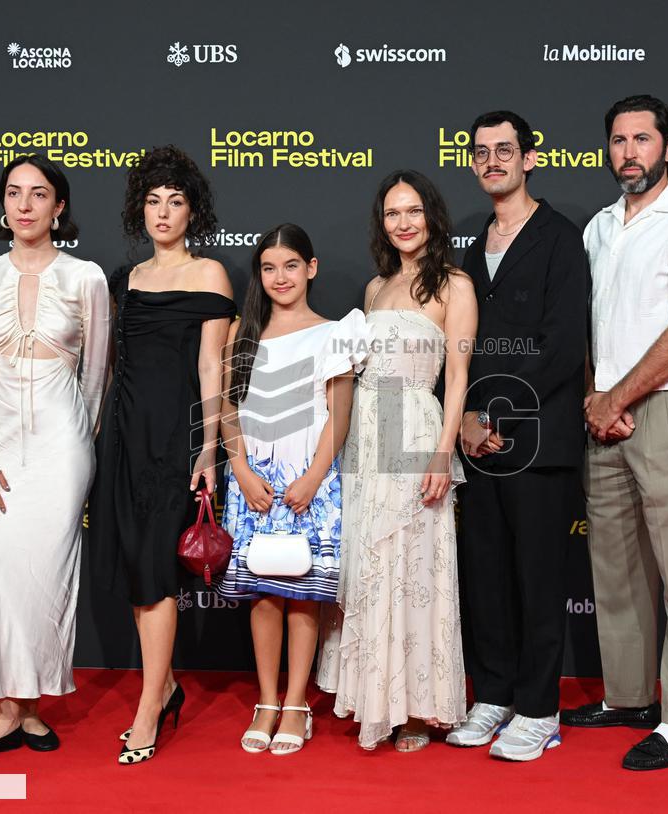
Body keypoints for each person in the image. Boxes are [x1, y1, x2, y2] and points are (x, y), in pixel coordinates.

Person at [561, 95, 668, 771]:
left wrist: (617, 398)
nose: (628, 152)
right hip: (605, 414)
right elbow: (590, 328)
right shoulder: (600, 227)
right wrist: (595, 398)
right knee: (617, 566)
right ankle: (630, 697)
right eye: (618, 140)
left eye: (641, 139)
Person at [0, 155, 109, 763]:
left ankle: (33, 707)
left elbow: (96, 375)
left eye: (39, 194)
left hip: (60, 451)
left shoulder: (86, 277)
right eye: (14, 192)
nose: (24, 204)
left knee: (46, 580)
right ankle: (1, 715)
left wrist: (77, 441)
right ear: (3, 204)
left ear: (58, 207)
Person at [317, 170, 475, 751]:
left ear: (431, 215)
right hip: (367, 431)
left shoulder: (455, 285)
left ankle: (415, 710)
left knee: (414, 566)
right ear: (381, 223)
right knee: (371, 560)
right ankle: (374, 697)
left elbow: (457, 378)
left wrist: (443, 452)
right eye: (392, 213)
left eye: (413, 211)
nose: (403, 223)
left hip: (415, 428)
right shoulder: (374, 288)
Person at [451, 111, 590, 761]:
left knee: (538, 580)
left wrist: (497, 417)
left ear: (529, 159)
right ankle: (494, 695)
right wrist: (465, 420)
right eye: (481, 152)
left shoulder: (560, 239)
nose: (493, 161)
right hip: (477, 445)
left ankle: (538, 710)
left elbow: (562, 346)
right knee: (486, 577)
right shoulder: (471, 248)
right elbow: (460, 348)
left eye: (505, 150)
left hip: (538, 442)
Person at [90, 146, 235, 765]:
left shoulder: (210, 275)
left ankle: (149, 707)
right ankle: (167, 685)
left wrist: (208, 449)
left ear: (192, 211)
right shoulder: (125, 280)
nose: (163, 212)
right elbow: (113, 366)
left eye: (175, 201)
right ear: (139, 210)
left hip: (174, 440)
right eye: (153, 201)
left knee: (156, 569)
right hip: (124, 437)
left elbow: (212, 367)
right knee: (134, 565)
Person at [216, 223, 366, 755]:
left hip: (310, 482)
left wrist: (312, 477)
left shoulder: (336, 333)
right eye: (269, 268)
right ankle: (266, 700)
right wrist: (241, 471)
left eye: (291, 266)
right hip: (253, 481)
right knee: (263, 593)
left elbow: (338, 416)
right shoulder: (242, 333)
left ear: (311, 268)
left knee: (302, 593)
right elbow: (227, 408)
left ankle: (297, 702)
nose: (280, 277)